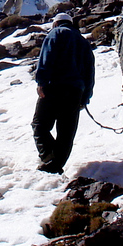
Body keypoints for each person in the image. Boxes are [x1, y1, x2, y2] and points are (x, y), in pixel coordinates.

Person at [32, 12, 95, 174]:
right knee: (66, 132)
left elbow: (46, 58)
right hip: (75, 92)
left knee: (40, 125)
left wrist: (41, 82)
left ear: (56, 23)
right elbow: (90, 72)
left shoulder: (55, 34)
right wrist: (85, 97)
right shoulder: (83, 42)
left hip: (53, 88)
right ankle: (56, 164)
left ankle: (48, 156)